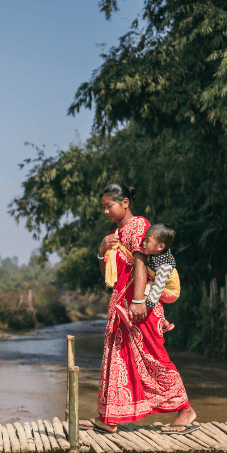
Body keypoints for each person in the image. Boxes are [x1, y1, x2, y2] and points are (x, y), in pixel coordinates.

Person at [81, 183, 198, 434]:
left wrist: (138, 302)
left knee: (154, 357)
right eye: (102, 207)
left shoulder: (140, 227)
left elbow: (141, 264)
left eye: (109, 206)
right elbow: (109, 276)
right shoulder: (115, 234)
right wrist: (102, 249)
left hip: (140, 304)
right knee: (118, 359)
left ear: (125, 203)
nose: (106, 211)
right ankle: (109, 419)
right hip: (121, 303)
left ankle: (185, 410)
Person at [115, 224, 179, 333]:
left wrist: (143, 305)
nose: (143, 243)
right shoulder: (156, 255)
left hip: (171, 292)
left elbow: (158, 289)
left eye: (147, 241)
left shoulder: (164, 266)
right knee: (149, 284)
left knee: (150, 285)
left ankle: (132, 316)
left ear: (160, 247)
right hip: (163, 288)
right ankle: (164, 323)